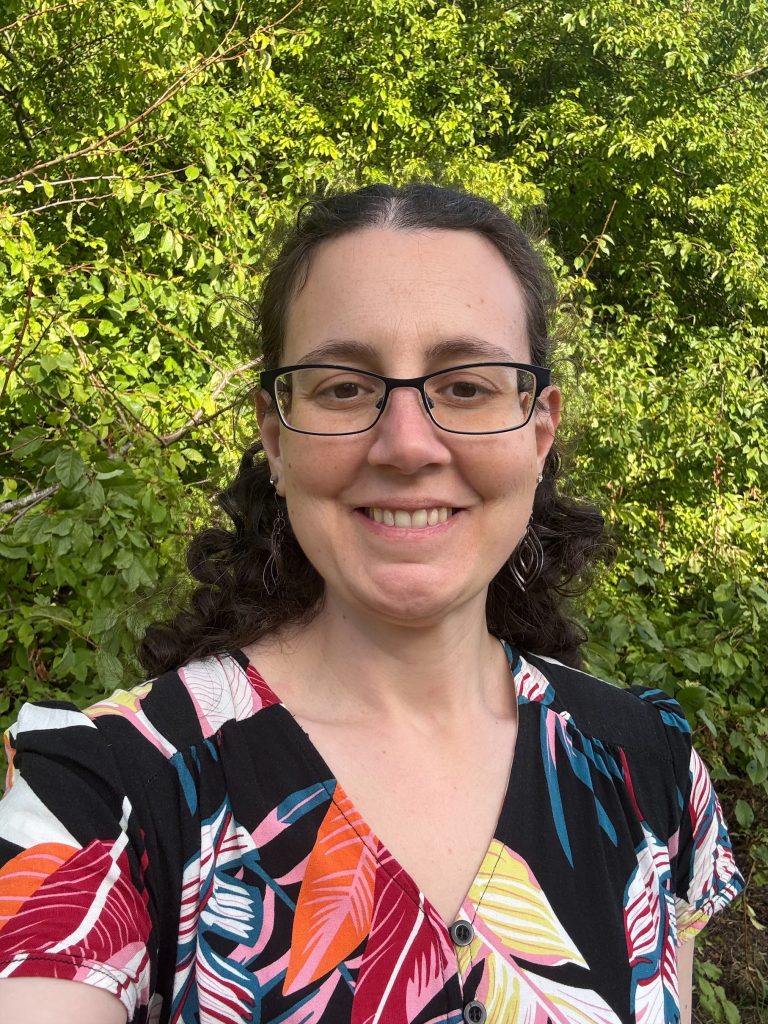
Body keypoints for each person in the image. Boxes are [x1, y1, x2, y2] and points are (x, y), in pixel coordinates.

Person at [0, 184, 743, 1024]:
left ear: (539, 432)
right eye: (344, 389)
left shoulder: (648, 769)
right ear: (276, 437)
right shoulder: (106, 798)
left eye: (467, 387)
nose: (407, 445)